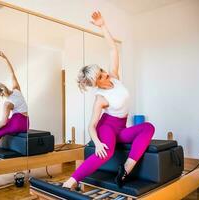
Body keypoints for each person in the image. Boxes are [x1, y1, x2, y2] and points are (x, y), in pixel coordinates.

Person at [63, 11, 155, 189]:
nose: (106, 74)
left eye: (102, 70)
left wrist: (102, 26)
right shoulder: (100, 98)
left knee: (148, 127)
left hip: (121, 129)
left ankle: (126, 169)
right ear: (96, 82)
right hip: (107, 128)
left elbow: (113, 49)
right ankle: (71, 182)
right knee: (106, 152)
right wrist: (97, 143)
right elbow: (91, 125)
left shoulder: (114, 76)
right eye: (101, 75)